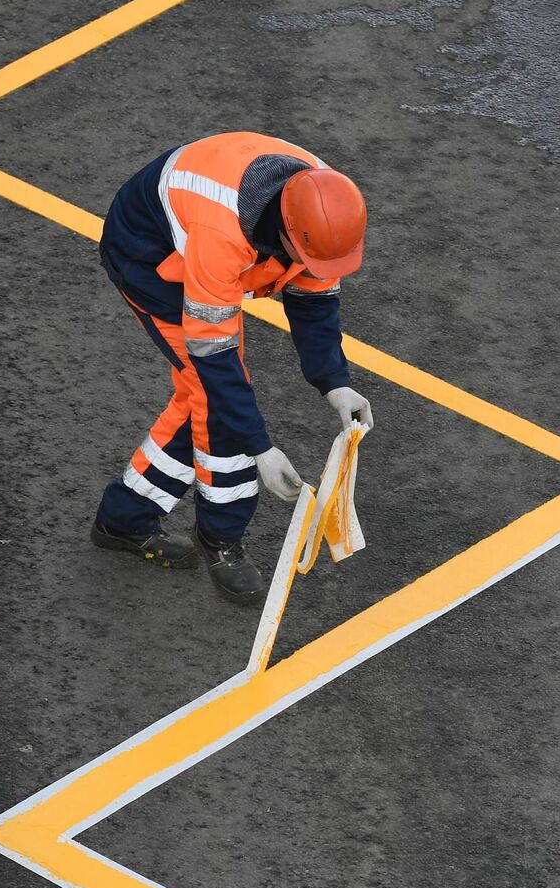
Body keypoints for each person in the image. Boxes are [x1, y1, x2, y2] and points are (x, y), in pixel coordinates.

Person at [92, 132, 374, 602]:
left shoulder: (322, 206)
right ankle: (220, 538)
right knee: (213, 397)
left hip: (206, 243)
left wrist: (335, 383)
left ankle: (125, 516)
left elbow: (314, 300)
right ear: (285, 232)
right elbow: (215, 359)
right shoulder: (221, 233)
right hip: (151, 260)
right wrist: (260, 448)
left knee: (204, 397)